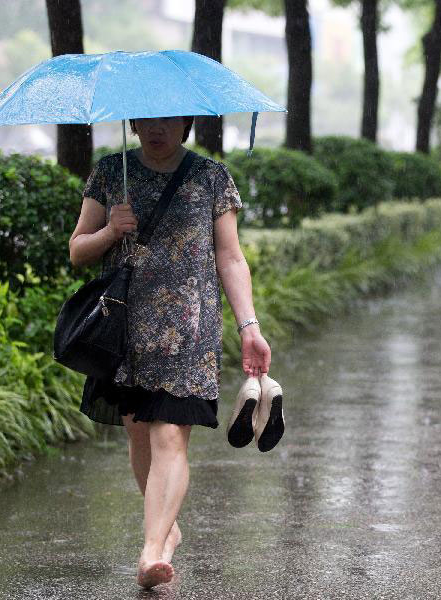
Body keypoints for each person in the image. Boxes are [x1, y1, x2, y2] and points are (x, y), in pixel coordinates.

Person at [67, 115, 272, 588]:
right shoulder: (109, 173)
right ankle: (166, 531)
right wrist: (110, 232)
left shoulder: (211, 177)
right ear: (134, 124)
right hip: (126, 331)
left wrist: (249, 327)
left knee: (171, 437)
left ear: (186, 124)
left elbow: (230, 256)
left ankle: (152, 549)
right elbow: (78, 250)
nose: (157, 129)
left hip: (189, 332)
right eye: (148, 121)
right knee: (139, 435)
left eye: (168, 120)